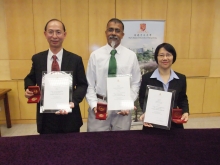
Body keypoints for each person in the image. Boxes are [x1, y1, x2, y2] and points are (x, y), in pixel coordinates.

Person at [24, 19, 88, 134]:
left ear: (64, 34)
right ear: (45, 34)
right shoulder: (38, 59)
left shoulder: (75, 59)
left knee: (72, 149)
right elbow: (30, 78)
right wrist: (28, 89)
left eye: (58, 32)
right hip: (46, 118)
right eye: (51, 32)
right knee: (47, 149)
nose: (54, 36)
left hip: (70, 115)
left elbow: (82, 84)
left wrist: (73, 101)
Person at [86, 18, 141, 132]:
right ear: (106, 32)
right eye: (110, 30)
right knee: (96, 144)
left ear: (122, 34)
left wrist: (128, 102)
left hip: (122, 107)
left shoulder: (131, 56)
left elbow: (136, 82)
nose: (114, 33)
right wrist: (93, 104)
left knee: (121, 145)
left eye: (117, 30)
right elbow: (89, 83)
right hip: (100, 104)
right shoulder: (95, 55)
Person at [139, 43, 189, 130]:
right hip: (152, 123)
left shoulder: (181, 78)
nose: (165, 58)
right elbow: (142, 98)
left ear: (173, 57)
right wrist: (146, 112)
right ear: (156, 58)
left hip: (174, 124)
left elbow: (182, 98)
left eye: (168, 55)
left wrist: (185, 112)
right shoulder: (146, 78)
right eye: (161, 55)